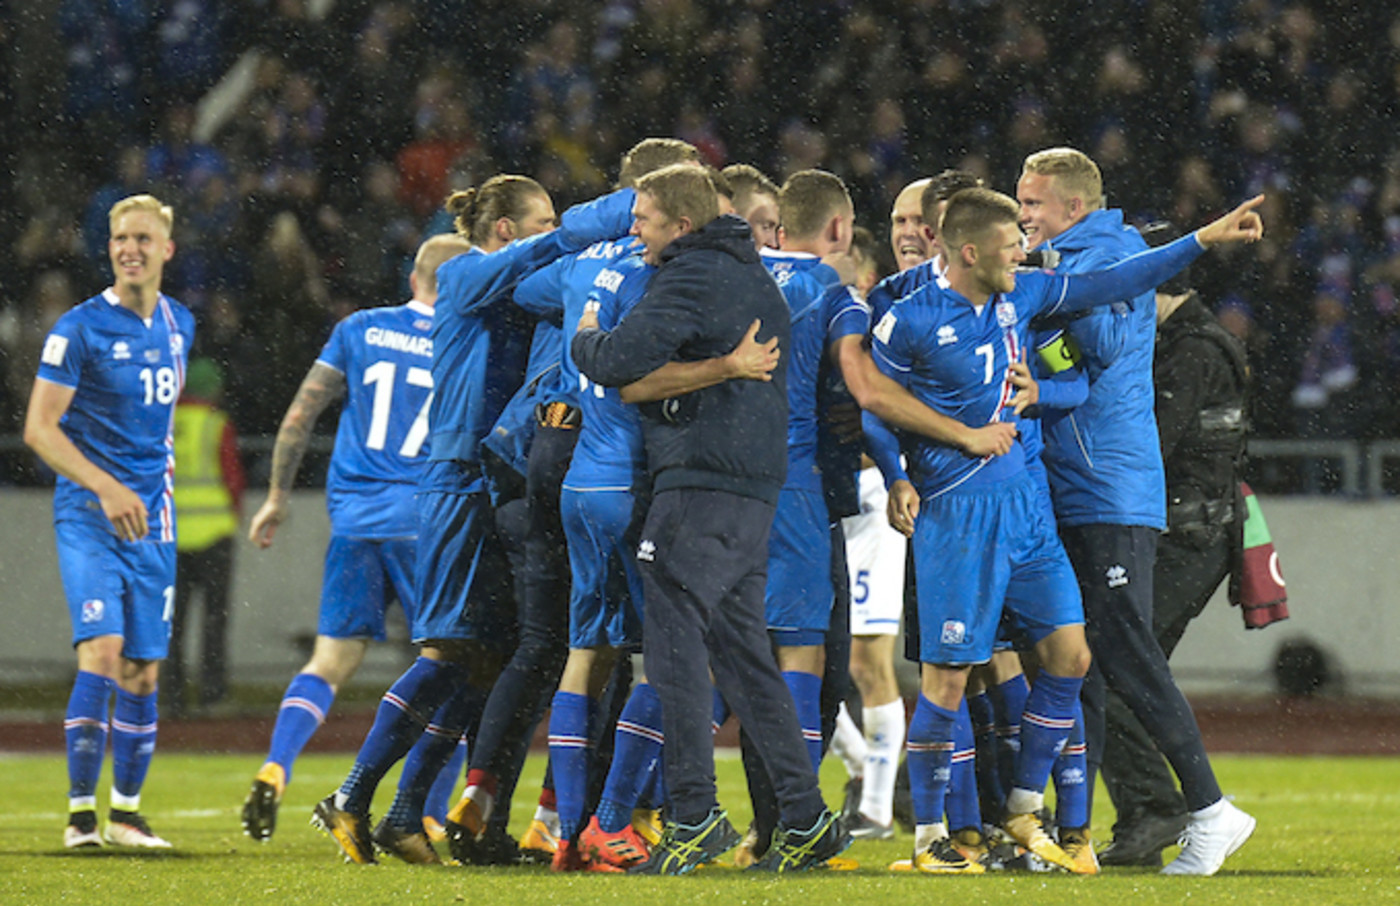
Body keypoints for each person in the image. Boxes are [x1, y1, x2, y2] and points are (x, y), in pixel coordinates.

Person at [866, 186, 1264, 875]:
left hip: (1030, 507)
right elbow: (873, 401)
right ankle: (935, 835)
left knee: (1074, 658)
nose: (1022, 249)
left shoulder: (1023, 296)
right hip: (957, 510)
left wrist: (1200, 239)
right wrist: (898, 471)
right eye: (1008, 243)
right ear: (967, 251)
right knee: (952, 677)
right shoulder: (909, 317)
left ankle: (1029, 810)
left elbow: (1115, 282)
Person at [313, 176, 635, 865]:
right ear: (507, 231)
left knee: (492, 662)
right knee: (449, 649)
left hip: (498, 480)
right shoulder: (463, 274)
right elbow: (534, 264)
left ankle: (415, 815)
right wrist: (617, 212)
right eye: (542, 221)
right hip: (457, 479)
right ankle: (351, 794)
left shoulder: (517, 293)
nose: (553, 230)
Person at [573, 163, 848, 874]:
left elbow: (616, 363)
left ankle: (692, 813)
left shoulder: (691, 277)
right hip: (751, 492)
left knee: (672, 647)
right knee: (745, 660)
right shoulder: (748, 273)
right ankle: (807, 817)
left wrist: (586, 335)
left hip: (698, 485)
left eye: (645, 217)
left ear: (682, 223)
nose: (634, 228)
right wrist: (718, 367)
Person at [449, 140, 701, 869]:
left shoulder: (573, 270)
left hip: (545, 459)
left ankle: (501, 799)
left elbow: (526, 294)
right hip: (614, 458)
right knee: (638, 651)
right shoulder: (656, 271)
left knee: (549, 647)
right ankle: (595, 816)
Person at [1019, 148, 1257, 876]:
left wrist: (1053, 327)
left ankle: (1213, 812)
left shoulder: (1113, 254)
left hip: (1111, 493)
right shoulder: (1068, 258)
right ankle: (1074, 833)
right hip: (1075, 489)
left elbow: (1105, 345)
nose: (1023, 213)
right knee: (1074, 663)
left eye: (1032, 203)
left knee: (1126, 655)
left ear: (1072, 205)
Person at [239, 234, 472, 850]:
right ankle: (425, 812)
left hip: (356, 522)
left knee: (330, 661)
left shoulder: (360, 327)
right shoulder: (461, 340)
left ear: (414, 275)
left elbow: (299, 416)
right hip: (424, 521)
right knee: (452, 667)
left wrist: (276, 498)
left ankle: (278, 764)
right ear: (453, 284)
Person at [24, 193, 195, 849]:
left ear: (166, 250)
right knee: (100, 652)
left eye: (143, 239)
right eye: (121, 238)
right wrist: (105, 486)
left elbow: (159, 426)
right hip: (90, 513)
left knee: (144, 671)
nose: (130, 248)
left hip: (154, 520)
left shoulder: (180, 322)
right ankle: (78, 818)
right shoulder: (78, 328)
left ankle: (125, 814)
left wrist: (150, 489)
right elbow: (39, 429)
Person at [1098, 222, 1251, 866]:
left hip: (1187, 535)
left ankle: (1156, 809)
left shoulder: (1191, 351)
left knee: (1115, 671)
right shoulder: (1196, 342)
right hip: (1185, 529)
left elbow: (1150, 445)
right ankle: (1150, 811)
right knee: (1119, 670)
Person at [168, 357, 244, 716]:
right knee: (214, 621)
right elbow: (232, 477)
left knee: (172, 623)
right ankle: (212, 695)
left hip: (171, 539)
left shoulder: (165, 425)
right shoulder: (216, 424)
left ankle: (171, 697)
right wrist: (236, 514)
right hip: (214, 536)